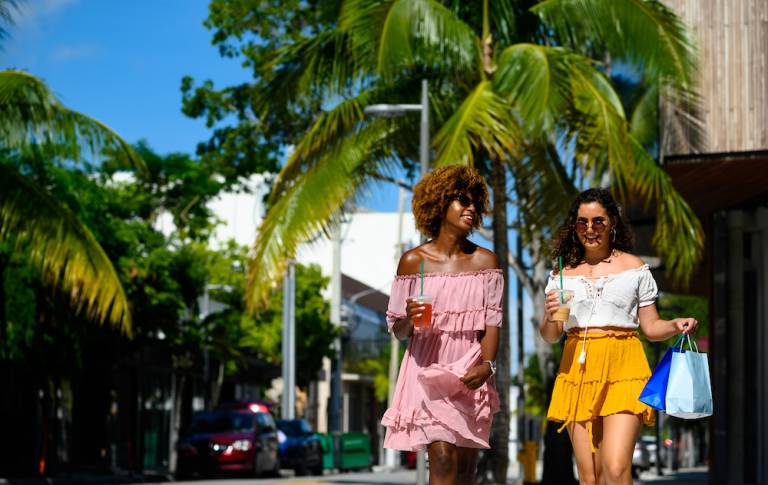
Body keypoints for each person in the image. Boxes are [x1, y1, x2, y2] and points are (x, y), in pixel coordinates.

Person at [541, 188, 698, 485]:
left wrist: (675, 324)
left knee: (614, 469)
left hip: (624, 367)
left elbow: (650, 328)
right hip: (578, 370)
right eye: (582, 222)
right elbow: (551, 336)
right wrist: (550, 315)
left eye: (598, 221)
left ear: (612, 222)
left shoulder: (634, 268)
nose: (590, 229)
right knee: (590, 477)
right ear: (574, 227)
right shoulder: (562, 274)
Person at [382, 165, 503, 485]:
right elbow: (398, 330)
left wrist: (488, 366)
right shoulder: (412, 261)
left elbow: (492, 323)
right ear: (439, 204)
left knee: (464, 471)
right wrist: (409, 317)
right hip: (426, 371)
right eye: (462, 200)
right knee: (443, 460)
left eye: (474, 202)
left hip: (470, 371)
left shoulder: (486, 261)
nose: (471, 207)